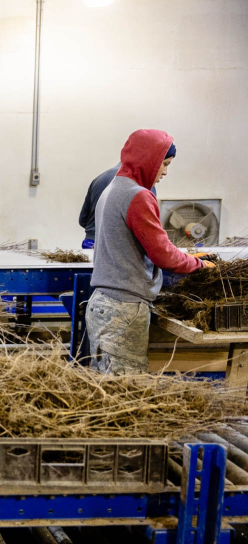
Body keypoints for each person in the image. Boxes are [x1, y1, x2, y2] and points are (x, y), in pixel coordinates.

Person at [87, 129, 214, 374]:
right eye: (164, 164)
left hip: (104, 304)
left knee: (108, 385)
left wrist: (187, 257)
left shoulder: (113, 188)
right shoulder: (138, 196)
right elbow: (162, 255)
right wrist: (199, 265)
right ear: (148, 159)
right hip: (124, 308)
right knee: (127, 390)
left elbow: (147, 244)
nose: (165, 172)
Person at [80, 164, 156, 250]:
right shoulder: (143, 184)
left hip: (91, 243)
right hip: (119, 249)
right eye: (165, 164)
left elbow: (83, 220)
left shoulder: (99, 179)